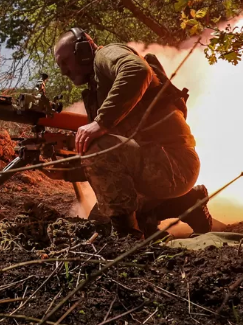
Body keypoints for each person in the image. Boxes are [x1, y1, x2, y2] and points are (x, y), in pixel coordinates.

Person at [53, 27, 212, 239]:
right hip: (159, 167)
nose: (64, 71)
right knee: (99, 223)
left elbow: (137, 70)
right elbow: (110, 168)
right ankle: (187, 202)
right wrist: (62, 171)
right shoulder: (99, 87)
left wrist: (100, 123)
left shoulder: (105, 55)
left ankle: (127, 240)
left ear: (83, 51)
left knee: (99, 150)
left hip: (173, 165)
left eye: (65, 62)